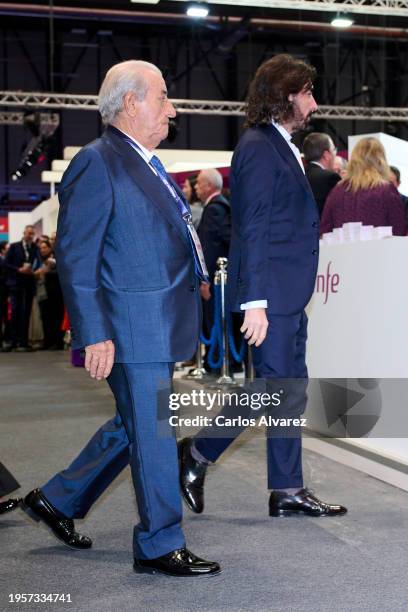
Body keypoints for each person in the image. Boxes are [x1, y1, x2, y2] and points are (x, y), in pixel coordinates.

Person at [22, 60, 220, 578]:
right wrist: (94, 333)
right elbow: (77, 255)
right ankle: (158, 543)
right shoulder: (98, 161)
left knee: (134, 424)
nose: (172, 109)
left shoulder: (140, 161)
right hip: (131, 323)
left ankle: (59, 500)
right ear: (130, 103)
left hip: (154, 318)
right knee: (153, 429)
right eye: (163, 96)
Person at [179, 53, 347, 519]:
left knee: (289, 387)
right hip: (270, 297)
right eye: (308, 94)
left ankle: (287, 488)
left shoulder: (279, 144)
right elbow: (249, 227)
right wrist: (253, 301)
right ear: (288, 95)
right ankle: (196, 453)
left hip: (289, 296)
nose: (314, 104)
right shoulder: (257, 146)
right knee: (271, 388)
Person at [321, 138, 406, 236]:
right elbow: (399, 229)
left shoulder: (336, 191)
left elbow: (325, 230)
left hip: (343, 250)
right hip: (380, 250)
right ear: (381, 160)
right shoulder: (386, 190)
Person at [195, 168, 231, 373]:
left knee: (214, 319)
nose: (196, 187)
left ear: (209, 186)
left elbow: (210, 248)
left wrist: (205, 279)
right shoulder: (218, 207)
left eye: (199, 183)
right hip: (216, 278)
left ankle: (216, 361)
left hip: (214, 280)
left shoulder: (215, 209)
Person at [5, 225, 39, 351]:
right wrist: (19, 269)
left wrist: (32, 271)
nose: (30, 236)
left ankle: (24, 342)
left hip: (29, 284)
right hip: (15, 284)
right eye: (28, 233)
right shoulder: (14, 247)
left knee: (26, 313)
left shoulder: (35, 248)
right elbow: (6, 264)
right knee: (15, 312)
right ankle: (14, 341)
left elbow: (38, 263)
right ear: (24, 233)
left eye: (32, 234)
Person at [35, 239, 65, 350]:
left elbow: (61, 272)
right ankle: (47, 342)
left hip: (56, 294)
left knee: (56, 318)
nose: (42, 250)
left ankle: (58, 343)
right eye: (41, 248)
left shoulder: (57, 258)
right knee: (45, 318)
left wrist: (47, 272)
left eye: (44, 247)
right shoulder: (38, 260)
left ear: (50, 248)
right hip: (43, 294)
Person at [303, 132, 341, 216]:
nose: (335, 154)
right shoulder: (331, 178)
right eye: (334, 150)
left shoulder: (298, 176)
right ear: (326, 155)